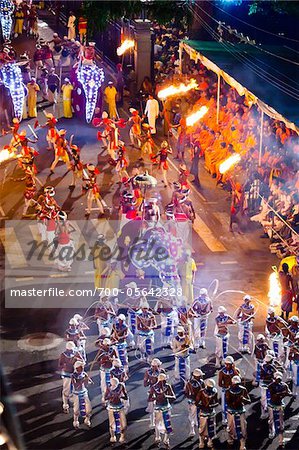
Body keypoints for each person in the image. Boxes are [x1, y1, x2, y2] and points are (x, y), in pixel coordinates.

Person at [148, 373, 176, 448]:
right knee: (157, 423)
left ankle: (166, 440)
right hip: (158, 408)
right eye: (164, 380)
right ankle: (157, 438)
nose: (165, 381)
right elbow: (149, 398)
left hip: (166, 407)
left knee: (167, 423)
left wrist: (166, 396)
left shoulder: (167, 386)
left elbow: (174, 397)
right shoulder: (154, 387)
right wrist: (156, 398)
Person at [225, 375, 251, 450]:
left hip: (240, 411)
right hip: (231, 411)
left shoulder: (243, 390)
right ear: (232, 383)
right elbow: (228, 403)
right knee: (230, 426)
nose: (236, 385)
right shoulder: (228, 391)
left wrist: (243, 399)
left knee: (243, 427)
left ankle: (242, 443)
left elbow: (249, 401)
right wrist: (236, 401)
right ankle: (230, 438)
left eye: (238, 384)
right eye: (235, 384)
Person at [58, 341, 83, 413]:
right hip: (67, 374)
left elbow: (83, 361)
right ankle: (65, 404)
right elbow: (60, 365)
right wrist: (67, 365)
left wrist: (78, 361)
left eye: (72, 349)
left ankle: (73, 400)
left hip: (75, 374)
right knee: (66, 390)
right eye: (70, 349)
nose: (72, 350)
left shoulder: (76, 353)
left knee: (75, 388)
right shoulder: (63, 355)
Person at [268, 372, 292, 446]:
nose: (278, 380)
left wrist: (287, 393)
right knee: (271, 419)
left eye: (279, 379)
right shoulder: (271, 386)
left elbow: (290, 393)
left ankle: (281, 440)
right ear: (274, 378)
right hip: (272, 405)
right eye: (277, 379)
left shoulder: (284, 385)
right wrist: (283, 393)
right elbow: (274, 395)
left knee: (281, 421)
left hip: (280, 405)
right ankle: (271, 431)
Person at [105, 377, 128, 444]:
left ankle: (122, 437)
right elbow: (105, 397)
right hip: (111, 406)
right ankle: (112, 436)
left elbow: (125, 396)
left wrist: (121, 397)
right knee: (112, 423)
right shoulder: (109, 387)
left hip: (120, 405)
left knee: (123, 423)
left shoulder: (121, 386)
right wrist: (111, 396)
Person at [218, 355, 240, 425]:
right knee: (224, 405)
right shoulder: (222, 372)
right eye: (226, 364)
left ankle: (233, 416)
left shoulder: (235, 371)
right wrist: (227, 386)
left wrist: (233, 369)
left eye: (229, 364)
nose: (227, 366)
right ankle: (224, 419)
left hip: (233, 391)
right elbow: (219, 384)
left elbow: (239, 378)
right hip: (225, 390)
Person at [197, 379, 219, 449]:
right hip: (203, 412)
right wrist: (202, 406)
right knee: (202, 428)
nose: (211, 389)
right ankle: (201, 441)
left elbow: (217, 402)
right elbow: (196, 402)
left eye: (212, 387)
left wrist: (212, 406)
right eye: (210, 387)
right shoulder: (201, 392)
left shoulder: (214, 392)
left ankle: (210, 440)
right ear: (206, 386)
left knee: (211, 427)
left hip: (211, 412)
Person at [144, 358, 165, 428]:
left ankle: (161, 422)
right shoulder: (148, 372)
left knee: (161, 407)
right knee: (151, 407)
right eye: (154, 366)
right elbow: (145, 384)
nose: (156, 368)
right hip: (152, 391)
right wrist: (151, 381)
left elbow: (164, 382)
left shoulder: (162, 371)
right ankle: (152, 422)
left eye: (157, 366)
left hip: (160, 392)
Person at [71, 360, 93, 428]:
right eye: (81, 367)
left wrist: (89, 382)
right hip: (76, 394)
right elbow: (75, 386)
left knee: (88, 408)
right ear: (77, 368)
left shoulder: (84, 374)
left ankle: (87, 420)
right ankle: (75, 421)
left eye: (83, 366)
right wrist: (82, 381)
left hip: (84, 392)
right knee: (76, 409)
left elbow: (89, 384)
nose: (83, 368)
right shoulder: (73, 376)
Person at [96, 337, 118, 403]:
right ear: (104, 345)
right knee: (104, 385)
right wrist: (104, 361)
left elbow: (116, 358)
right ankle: (104, 399)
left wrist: (113, 360)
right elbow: (97, 361)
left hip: (111, 369)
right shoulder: (101, 352)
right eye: (106, 345)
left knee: (113, 384)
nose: (108, 346)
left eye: (109, 345)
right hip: (104, 370)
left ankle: (113, 398)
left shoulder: (112, 350)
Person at [185, 368, 205, 437]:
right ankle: (194, 429)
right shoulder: (201, 382)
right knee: (197, 415)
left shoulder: (189, 383)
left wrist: (191, 396)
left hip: (193, 402)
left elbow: (186, 393)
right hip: (198, 402)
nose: (201, 376)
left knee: (192, 415)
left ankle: (193, 430)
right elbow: (204, 392)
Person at [136, 298, 157, 362]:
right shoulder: (139, 316)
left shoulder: (151, 315)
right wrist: (144, 328)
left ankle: (149, 358)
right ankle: (142, 356)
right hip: (142, 333)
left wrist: (150, 328)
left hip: (150, 333)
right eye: (143, 309)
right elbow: (138, 327)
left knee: (150, 346)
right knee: (142, 346)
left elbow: (155, 325)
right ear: (141, 309)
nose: (145, 310)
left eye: (146, 308)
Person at [259, 353, 277, 419]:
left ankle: (263, 413)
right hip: (270, 383)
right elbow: (276, 373)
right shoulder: (272, 366)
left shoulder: (262, 366)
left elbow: (260, 376)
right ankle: (273, 410)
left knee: (263, 398)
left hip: (263, 383)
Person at [288, 332, 299, 397]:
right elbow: (289, 357)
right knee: (295, 379)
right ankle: (294, 392)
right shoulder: (293, 346)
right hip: (295, 364)